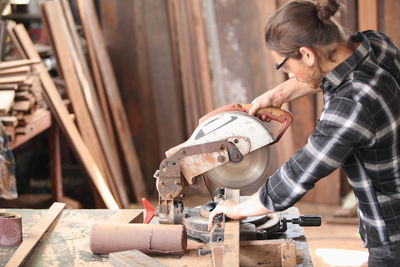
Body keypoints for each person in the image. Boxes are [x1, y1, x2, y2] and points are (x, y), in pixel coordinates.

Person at [207, 0, 400, 266]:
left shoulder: (351, 106)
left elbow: (301, 172)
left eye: (285, 67)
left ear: (307, 54)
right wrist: (278, 93)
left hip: (392, 229)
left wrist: (238, 210)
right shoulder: (377, 43)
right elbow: (338, 73)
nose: (288, 74)